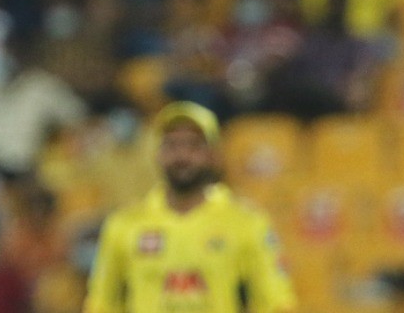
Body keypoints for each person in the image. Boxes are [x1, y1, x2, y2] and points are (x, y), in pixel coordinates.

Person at [83, 101, 297, 313]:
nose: (182, 156)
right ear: (158, 154)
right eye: (172, 145)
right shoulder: (125, 224)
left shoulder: (246, 223)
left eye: (193, 146)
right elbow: (101, 304)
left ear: (213, 155)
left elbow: (275, 302)